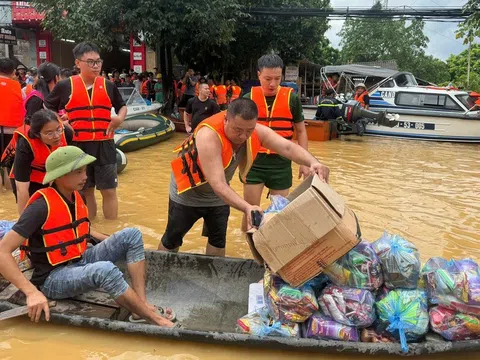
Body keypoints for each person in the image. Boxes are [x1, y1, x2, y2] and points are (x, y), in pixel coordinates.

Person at [0, 146, 176, 327]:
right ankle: (156, 319)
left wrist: (113, 242)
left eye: (84, 170)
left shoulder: (77, 197)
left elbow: (81, 229)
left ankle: (141, 305)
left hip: (79, 259)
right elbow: (3, 252)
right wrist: (31, 292)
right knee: (105, 269)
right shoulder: (40, 207)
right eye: (78, 172)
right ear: (60, 176)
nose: (85, 176)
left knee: (131, 235)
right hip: (53, 278)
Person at [158, 98, 329, 257]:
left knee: (217, 241)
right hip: (188, 193)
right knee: (172, 239)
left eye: (249, 130)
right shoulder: (208, 135)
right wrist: (248, 207)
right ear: (226, 120)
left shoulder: (255, 132)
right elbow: (218, 184)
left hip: (219, 198)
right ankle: (161, 274)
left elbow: (288, 148)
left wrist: (313, 162)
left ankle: (214, 280)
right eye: (237, 130)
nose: (243, 136)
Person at [45, 42, 127, 220]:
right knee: (85, 190)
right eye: (90, 62)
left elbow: (122, 107)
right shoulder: (65, 86)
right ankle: (89, 230)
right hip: (79, 145)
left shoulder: (108, 85)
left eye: (98, 61)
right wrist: (61, 123)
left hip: (105, 144)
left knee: (109, 190)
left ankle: (111, 232)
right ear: (77, 63)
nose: (96, 66)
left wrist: (120, 119)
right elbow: (47, 107)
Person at [241, 54, 309, 231]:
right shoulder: (248, 98)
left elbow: (301, 131)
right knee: (250, 213)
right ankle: (246, 250)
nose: (272, 83)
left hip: (281, 164)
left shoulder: (292, 99)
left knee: (279, 216)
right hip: (254, 163)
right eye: (267, 78)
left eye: (277, 79)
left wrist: (304, 163)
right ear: (258, 75)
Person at [6, 110, 72, 214]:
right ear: (37, 134)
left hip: (48, 170)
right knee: (34, 211)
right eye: (49, 133)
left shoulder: (66, 133)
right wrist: (24, 224)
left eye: (58, 130)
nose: (56, 136)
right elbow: (22, 189)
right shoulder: (25, 144)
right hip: (28, 174)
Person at [0, 58, 24, 189]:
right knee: (8, 164)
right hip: (13, 131)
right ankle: (9, 190)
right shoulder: (18, 87)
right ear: (13, 72)